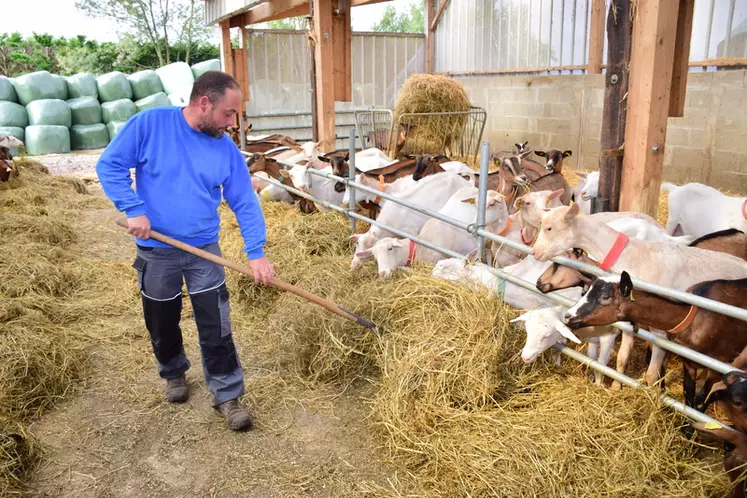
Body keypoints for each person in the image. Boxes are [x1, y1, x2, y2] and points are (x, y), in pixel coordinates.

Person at [96, 71, 273, 431]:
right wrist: (133, 208)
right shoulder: (150, 125)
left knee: (216, 323)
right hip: (156, 249)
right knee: (161, 319)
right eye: (228, 113)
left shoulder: (225, 149)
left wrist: (256, 251)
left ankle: (227, 394)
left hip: (204, 249)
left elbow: (244, 201)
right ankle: (174, 371)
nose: (232, 122)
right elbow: (110, 165)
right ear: (204, 103)